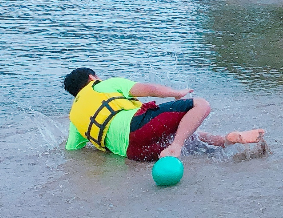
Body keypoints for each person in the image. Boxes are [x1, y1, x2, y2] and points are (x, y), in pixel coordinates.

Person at [62, 67, 265, 162]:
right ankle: (176, 147)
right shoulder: (101, 85)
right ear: (92, 77)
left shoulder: (75, 116)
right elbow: (149, 89)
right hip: (138, 127)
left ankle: (225, 140)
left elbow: (73, 149)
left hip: (134, 154)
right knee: (200, 105)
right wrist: (177, 93)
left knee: (189, 134)